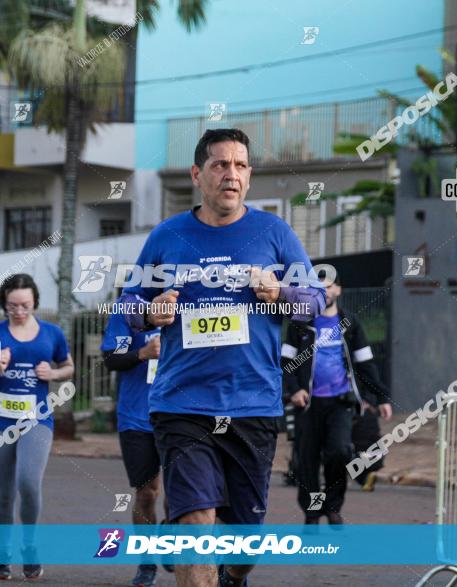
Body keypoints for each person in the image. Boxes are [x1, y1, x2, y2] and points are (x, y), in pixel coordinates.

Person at [119, 128, 325, 587]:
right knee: (197, 522)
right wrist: (150, 313)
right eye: (219, 164)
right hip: (181, 405)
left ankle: (233, 573)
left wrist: (280, 292)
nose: (230, 174)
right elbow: (127, 304)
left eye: (239, 165)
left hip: (252, 405)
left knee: (245, 541)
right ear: (197, 174)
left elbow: (314, 302)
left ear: (249, 176)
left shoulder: (274, 232)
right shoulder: (167, 236)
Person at [0, 273, 74, 581]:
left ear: (35, 303)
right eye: (12, 306)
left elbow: (69, 368)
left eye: (25, 305)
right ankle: (3, 553)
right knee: (4, 491)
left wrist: (53, 375)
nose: (18, 311)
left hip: (37, 420)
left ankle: (29, 547)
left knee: (28, 483)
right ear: (3, 304)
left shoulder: (51, 333)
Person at [281, 273, 392, 524]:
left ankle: (333, 506)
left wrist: (382, 397)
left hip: (340, 403)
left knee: (340, 452)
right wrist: (294, 390)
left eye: (328, 286)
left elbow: (366, 364)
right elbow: (286, 364)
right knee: (306, 461)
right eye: (317, 287)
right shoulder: (300, 325)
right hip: (307, 404)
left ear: (338, 290)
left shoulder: (350, 324)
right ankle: (311, 512)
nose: (323, 291)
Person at [101, 304, 171, 587]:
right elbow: (111, 359)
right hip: (137, 416)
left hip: (181, 414)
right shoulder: (128, 309)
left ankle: (173, 536)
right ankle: (146, 563)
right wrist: (143, 353)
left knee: (183, 492)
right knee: (146, 494)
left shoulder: (193, 301)